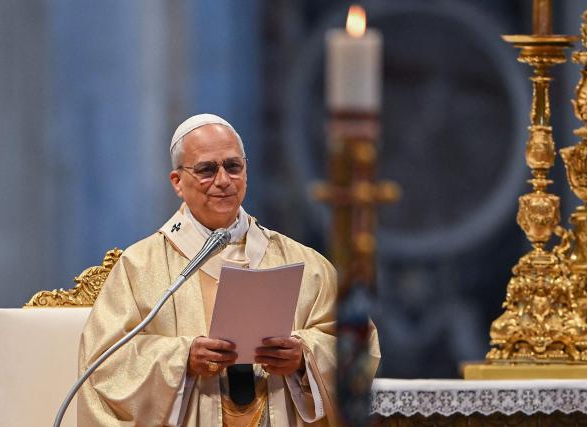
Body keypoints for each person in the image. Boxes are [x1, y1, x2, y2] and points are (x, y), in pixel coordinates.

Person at [77, 114, 381, 426]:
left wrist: (304, 357)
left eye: (233, 166)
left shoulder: (304, 263)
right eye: (207, 169)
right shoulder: (140, 267)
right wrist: (183, 359)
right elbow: (103, 365)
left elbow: (358, 344)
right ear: (177, 182)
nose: (223, 180)